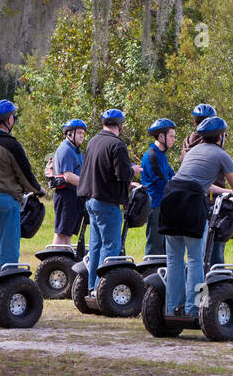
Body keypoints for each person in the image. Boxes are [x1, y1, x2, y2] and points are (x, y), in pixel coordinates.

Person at [159, 116, 233, 322]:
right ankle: (194, 310)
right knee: (195, 259)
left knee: (174, 259)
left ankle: (173, 308)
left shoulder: (193, 152)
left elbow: (203, 182)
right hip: (191, 202)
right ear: (220, 136)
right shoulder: (222, 155)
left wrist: (225, 190)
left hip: (171, 197)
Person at [0, 100, 45, 304]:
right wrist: (39, 190)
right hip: (5, 200)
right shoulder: (11, 144)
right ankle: (5, 295)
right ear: (9, 119)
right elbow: (25, 175)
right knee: (10, 249)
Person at [76, 108, 138, 298]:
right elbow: (121, 173)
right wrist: (133, 170)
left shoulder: (93, 141)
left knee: (95, 245)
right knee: (111, 246)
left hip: (90, 199)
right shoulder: (117, 145)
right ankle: (102, 290)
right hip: (107, 201)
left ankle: (91, 287)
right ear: (120, 125)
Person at [179, 103, 229, 266]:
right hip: (212, 199)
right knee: (215, 244)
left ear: (195, 123)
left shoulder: (187, 145)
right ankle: (216, 281)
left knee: (194, 250)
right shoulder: (213, 146)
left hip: (187, 200)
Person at [140, 118, 177, 256]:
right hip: (155, 205)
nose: (174, 139)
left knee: (165, 247)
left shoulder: (161, 155)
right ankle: (149, 274)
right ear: (161, 136)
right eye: (171, 136)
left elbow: (172, 176)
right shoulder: (152, 155)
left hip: (163, 205)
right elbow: (163, 182)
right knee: (155, 246)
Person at [50, 119, 88, 246]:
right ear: (69, 134)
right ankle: (56, 260)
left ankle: (66, 261)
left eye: (83, 133)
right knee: (61, 232)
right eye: (79, 133)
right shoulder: (66, 150)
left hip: (74, 195)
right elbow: (68, 176)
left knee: (67, 233)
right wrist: (88, 186)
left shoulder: (76, 151)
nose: (82, 135)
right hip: (66, 195)